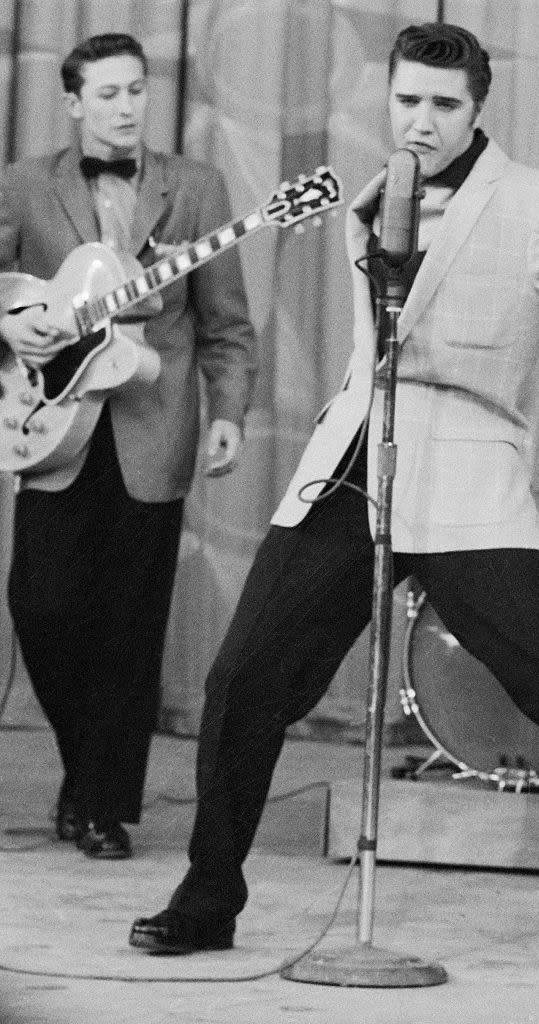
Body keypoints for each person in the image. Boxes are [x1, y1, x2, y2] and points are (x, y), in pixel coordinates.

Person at [129, 22, 539, 970]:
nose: (421, 122)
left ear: (478, 109)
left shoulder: (536, 203)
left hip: (467, 473)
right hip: (353, 466)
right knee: (242, 679)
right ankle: (208, 894)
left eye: (443, 106)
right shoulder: (372, 196)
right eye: (407, 102)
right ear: (386, 100)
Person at [0, 34, 257, 860]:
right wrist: (18, 321)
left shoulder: (198, 189)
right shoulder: (22, 185)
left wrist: (229, 411)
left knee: (130, 625)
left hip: (155, 422)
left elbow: (226, 323)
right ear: (74, 103)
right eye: (107, 94)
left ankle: (103, 805)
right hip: (51, 427)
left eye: (136, 91)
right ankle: (87, 773)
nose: (125, 107)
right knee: (42, 609)